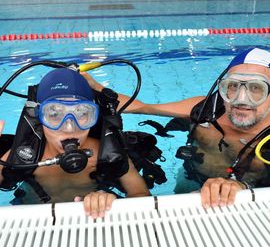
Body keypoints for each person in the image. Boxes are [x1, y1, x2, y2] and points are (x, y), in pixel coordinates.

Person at [82, 47, 270, 209]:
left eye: (256, 88)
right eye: (233, 86)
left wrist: (244, 188)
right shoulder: (202, 109)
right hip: (190, 181)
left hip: (250, 195)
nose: (241, 99)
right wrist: (95, 87)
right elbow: (141, 106)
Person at [0, 68, 150, 218]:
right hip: (32, 216)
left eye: (82, 113)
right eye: (54, 114)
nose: (70, 128)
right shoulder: (24, 157)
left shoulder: (104, 153)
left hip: (90, 217)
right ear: (39, 117)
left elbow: (142, 194)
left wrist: (110, 200)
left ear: (94, 116)